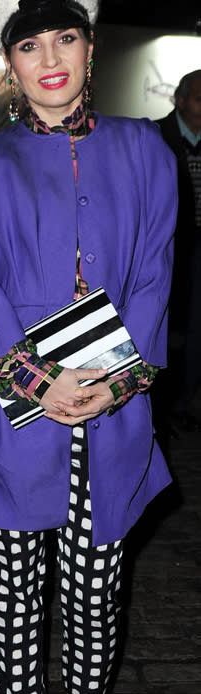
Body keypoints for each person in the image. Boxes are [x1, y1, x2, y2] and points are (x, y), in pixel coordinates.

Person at [0, 0, 177, 694]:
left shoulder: (146, 150)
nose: (50, 58)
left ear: (89, 46)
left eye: (65, 38)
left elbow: (152, 275)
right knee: (15, 592)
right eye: (29, 44)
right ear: (11, 61)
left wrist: (115, 382)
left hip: (112, 410)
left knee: (96, 585)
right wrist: (39, 384)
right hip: (13, 416)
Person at [155, 71, 201, 431]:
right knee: (168, 329)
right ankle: (163, 405)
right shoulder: (155, 137)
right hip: (168, 249)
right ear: (180, 100)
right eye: (199, 98)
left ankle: (185, 401)